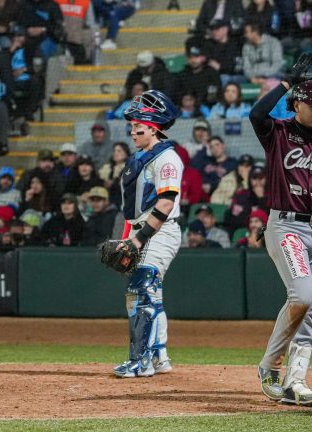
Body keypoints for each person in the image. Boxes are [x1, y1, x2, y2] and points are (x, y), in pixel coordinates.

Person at [250, 55, 312, 407]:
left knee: (311, 308)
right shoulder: (278, 133)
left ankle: (296, 381)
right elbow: (256, 115)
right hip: (286, 225)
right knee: (303, 296)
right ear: (296, 104)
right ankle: (269, 365)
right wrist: (284, 83)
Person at [111, 89, 183, 379]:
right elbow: (132, 210)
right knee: (148, 294)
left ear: (154, 128)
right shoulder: (142, 157)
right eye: (132, 126)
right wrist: (128, 237)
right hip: (143, 230)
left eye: (138, 126)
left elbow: (165, 203)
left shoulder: (167, 158)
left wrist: (139, 239)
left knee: (142, 291)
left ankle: (140, 361)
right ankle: (159, 357)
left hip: (160, 231)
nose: (133, 131)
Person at [173, 45, 220, 109]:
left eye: (196, 57)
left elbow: (213, 97)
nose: (193, 60)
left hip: (206, 108)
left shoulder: (211, 74)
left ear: (202, 58)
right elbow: (177, 94)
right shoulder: (182, 75)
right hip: (185, 108)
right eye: (190, 57)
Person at [203, 19, 242, 84]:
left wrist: (221, 67)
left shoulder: (235, 44)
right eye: (212, 29)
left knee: (224, 78)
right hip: (216, 76)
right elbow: (208, 62)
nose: (214, 32)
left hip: (236, 76)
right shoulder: (208, 44)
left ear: (225, 29)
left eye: (217, 29)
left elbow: (237, 67)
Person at [98, 142, 131, 207]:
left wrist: (113, 183)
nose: (115, 153)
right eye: (114, 151)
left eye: (119, 151)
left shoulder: (129, 168)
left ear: (126, 153)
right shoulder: (106, 168)